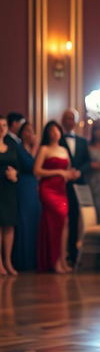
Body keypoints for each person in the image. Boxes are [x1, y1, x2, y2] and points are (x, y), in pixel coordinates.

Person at [35, 121, 79, 273]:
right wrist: (58, 172)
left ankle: (62, 260)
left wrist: (71, 174)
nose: (55, 133)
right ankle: (54, 262)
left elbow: (66, 172)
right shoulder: (44, 149)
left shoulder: (64, 150)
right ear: (47, 133)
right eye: (51, 131)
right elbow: (37, 171)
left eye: (57, 130)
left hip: (61, 190)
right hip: (48, 189)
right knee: (56, 221)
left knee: (64, 223)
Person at [61, 108, 90, 265]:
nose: (69, 121)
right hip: (61, 185)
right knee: (62, 220)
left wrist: (79, 171)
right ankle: (60, 254)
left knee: (74, 220)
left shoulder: (82, 141)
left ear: (76, 122)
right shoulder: (58, 140)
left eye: (72, 118)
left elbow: (87, 162)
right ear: (62, 121)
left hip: (78, 185)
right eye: (66, 118)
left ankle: (73, 254)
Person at [13, 121, 41, 271]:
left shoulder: (33, 149)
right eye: (26, 131)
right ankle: (23, 261)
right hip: (24, 186)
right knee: (24, 222)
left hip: (34, 187)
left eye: (31, 131)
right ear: (22, 133)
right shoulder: (19, 148)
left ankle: (33, 260)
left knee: (34, 220)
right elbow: (31, 166)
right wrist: (35, 148)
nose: (29, 134)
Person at [0, 116, 20, 276]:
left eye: (4, 125)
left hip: (9, 189)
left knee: (9, 225)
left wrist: (15, 174)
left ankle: (8, 261)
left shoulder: (11, 145)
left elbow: (18, 166)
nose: (2, 128)